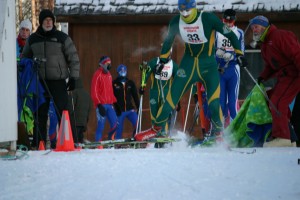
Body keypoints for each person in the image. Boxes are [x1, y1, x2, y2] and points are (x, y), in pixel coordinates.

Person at [135, 0, 247, 144]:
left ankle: (218, 131)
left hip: (208, 65)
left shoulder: (207, 18)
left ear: (194, 8)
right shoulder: (176, 21)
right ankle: (156, 128)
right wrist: (162, 62)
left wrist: (239, 54)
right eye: (181, 11)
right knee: (171, 98)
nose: (185, 14)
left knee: (214, 102)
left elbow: (230, 35)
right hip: (188, 65)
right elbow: (168, 41)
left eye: (187, 10)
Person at [22, 9, 80, 149]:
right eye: (45, 20)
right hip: (39, 82)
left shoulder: (62, 37)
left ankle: (69, 141)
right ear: (41, 22)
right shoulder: (33, 39)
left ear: (53, 22)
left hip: (58, 81)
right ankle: (38, 144)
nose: (48, 22)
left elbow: (73, 58)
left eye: (50, 20)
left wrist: (73, 77)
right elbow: (25, 58)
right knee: (39, 114)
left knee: (64, 112)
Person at [249, 16, 300, 147]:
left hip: (294, 75)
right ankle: (291, 137)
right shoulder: (265, 43)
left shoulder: (279, 36)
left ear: (264, 26)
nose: (254, 29)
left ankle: (282, 137)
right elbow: (272, 66)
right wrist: (262, 77)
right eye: (252, 27)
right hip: (283, 77)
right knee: (271, 99)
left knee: (278, 102)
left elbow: (297, 54)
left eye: (256, 26)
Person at [135, 52, 179, 141]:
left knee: (163, 115)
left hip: (166, 93)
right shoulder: (154, 61)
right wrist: (143, 86)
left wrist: (178, 99)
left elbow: (178, 82)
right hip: (154, 93)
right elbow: (146, 73)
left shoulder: (173, 65)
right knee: (154, 115)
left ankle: (163, 133)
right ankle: (155, 133)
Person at [215, 9, 245, 127]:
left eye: (230, 20)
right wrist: (216, 52)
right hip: (219, 69)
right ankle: (218, 132)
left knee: (232, 104)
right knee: (220, 104)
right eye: (225, 20)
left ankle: (235, 131)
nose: (227, 23)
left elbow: (242, 53)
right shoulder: (216, 32)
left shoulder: (239, 33)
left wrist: (233, 56)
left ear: (234, 20)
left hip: (233, 69)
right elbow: (209, 50)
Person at [91, 56, 121, 143]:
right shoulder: (97, 74)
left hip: (109, 104)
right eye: (108, 64)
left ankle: (111, 140)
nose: (110, 65)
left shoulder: (109, 75)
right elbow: (94, 91)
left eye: (110, 64)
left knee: (115, 124)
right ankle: (98, 144)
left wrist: (115, 103)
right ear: (103, 64)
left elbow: (110, 91)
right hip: (101, 105)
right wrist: (99, 105)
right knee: (101, 126)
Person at [113, 64, 140, 139]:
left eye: (124, 70)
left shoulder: (130, 83)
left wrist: (138, 107)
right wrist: (116, 108)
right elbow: (112, 97)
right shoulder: (114, 83)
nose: (123, 72)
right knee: (119, 128)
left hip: (130, 109)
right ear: (118, 72)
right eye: (121, 71)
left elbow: (135, 96)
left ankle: (136, 138)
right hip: (119, 111)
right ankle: (117, 143)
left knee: (137, 124)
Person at [68, 78, 93, 145]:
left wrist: (68, 117)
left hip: (75, 121)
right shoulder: (87, 94)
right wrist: (86, 119)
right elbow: (90, 108)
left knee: (75, 140)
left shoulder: (74, 93)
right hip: (83, 121)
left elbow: (71, 106)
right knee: (80, 138)